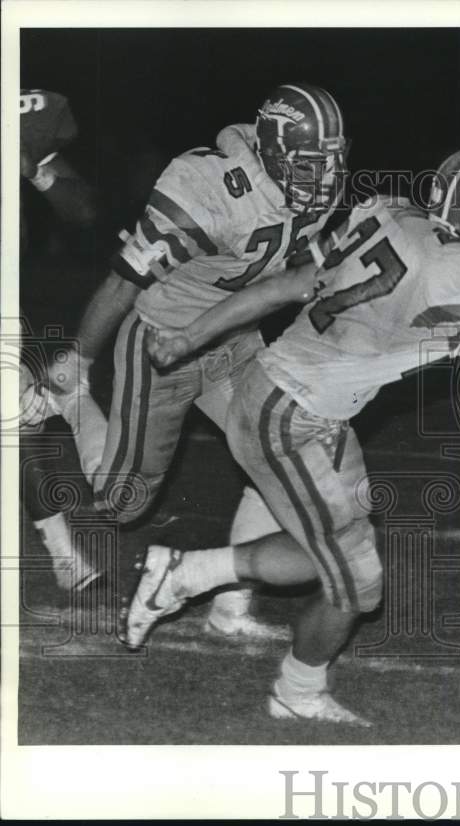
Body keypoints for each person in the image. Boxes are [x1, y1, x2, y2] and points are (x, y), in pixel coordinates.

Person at [125, 148, 460, 722]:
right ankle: (292, 689)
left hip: (290, 397)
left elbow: (289, 284)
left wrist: (188, 338)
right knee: (355, 581)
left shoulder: (391, 212)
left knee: (336, 552)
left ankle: (193, 579)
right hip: (292, 416)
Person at [68, 83, 349, 636]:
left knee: (283, 452)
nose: (325, 178)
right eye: (311, 164)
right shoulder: (207, 185)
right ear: (272, 151)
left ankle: (229, 609)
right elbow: (125, 282)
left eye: (332, 162)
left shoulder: (314, 192)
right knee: (122, 504)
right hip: (163, 346)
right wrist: (77, 362)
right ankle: (71, 403)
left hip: (238, 341)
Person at [19, 88, 102, 591]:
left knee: (17, 424)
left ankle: (64, 556)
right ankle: (56, 400)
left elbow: (85, 210)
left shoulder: (24, 117)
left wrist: (34, 171)